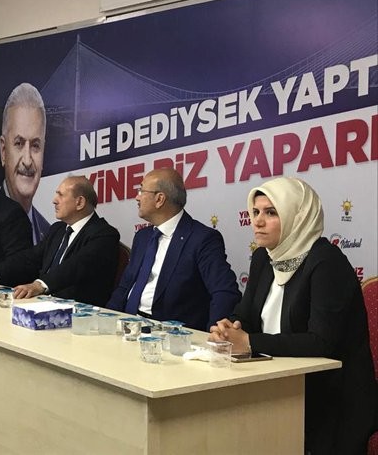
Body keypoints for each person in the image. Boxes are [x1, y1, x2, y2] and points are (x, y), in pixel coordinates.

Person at [208, 177, 376, 455]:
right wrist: (229, 329)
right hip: (275, 384)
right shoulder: (264, 257)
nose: (258, 221)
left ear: (297, 216)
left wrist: (249, 342)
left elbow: (321, 342)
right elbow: (246, 315)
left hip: (330, 399)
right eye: (255, 212)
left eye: (271, 212)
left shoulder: (327, 262)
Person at [106, 168, 241, 331]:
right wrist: (107, 319)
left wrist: (215, 335)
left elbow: (224, 291)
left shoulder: (202, 239)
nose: (137, 197)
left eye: (141, 190)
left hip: (169, 334)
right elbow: (125, 287)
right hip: (128, 326)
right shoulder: (142, 237)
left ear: (159, 199)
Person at [0, 175, 120, 307]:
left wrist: (39, 285)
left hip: (79, 315)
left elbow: (75, 266)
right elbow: (28, 259)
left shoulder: (105, 235)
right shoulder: (58, 229)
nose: (54, 200)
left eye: (60, 195)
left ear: (79, 202)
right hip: (43, 306)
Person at [0, 82, 51, 244]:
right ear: (3, 151)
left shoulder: (49, 234)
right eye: (19, 143)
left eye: (35, 146)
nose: (27, 161)